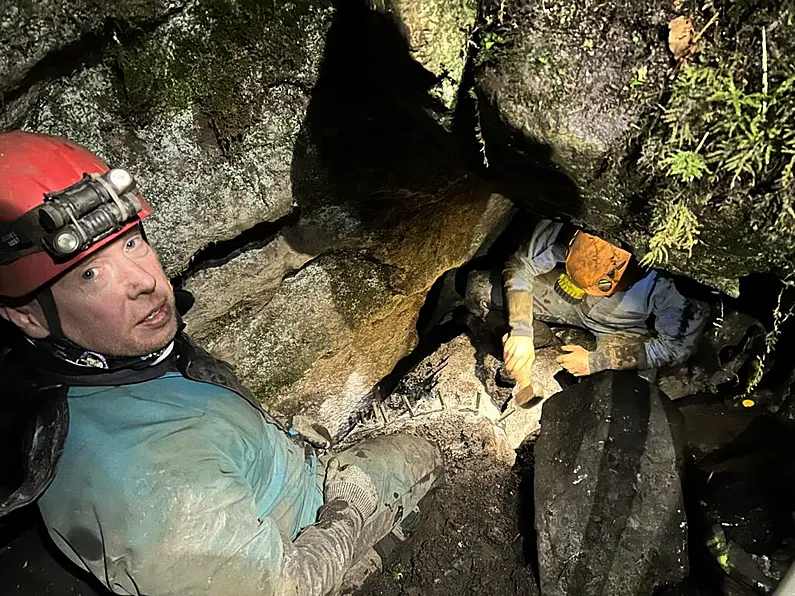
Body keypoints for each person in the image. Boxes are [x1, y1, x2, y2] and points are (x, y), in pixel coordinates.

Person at [0, 131, 443, 596]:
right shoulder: (150, 484)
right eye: (91, 274)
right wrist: (347, 511)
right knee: (418, 454)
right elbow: (285, 588)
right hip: (292, 540)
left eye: (131, 244)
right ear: (28, 316)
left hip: (270, 487)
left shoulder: (113, 353)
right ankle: (362, 565)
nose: (144, 282)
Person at [468, 219, 709, 405]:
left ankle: (564, 340)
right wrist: (520, 330)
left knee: (626, 393)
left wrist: (597, 361)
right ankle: (543, 336)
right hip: (563, 299)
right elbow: (522, 265)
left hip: (621, 326)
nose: (588, 291)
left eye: (598, 288)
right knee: (479, 288)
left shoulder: (672, 284)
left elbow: (675, 347)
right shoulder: (572, 227)